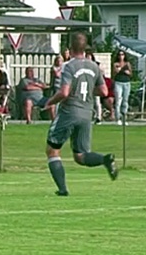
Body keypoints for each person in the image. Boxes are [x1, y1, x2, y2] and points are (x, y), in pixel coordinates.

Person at [43, 32, 120, 196]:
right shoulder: (94, 66)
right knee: (80, 155)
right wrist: (87, 90)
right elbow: (104, 91)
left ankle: (63, 189)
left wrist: (50, 102)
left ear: (70, 48)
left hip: (69, 112)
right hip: (86, 113)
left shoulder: (69, 66)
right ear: (85, 48)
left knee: (52, 150)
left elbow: (64, 92)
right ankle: (105, 159)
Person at [112, 52, 133, 124]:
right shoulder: (116, 64)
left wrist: (128, 72)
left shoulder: (127, 64)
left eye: (122, 55)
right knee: (118, 100)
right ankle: (118, 118)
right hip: (118, 82)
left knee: (125, 100)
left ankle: (124, 117)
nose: (121, 56)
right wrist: (117, 70)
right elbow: (113, 74)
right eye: (119, 55)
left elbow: (131, 74)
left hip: (126, 83)